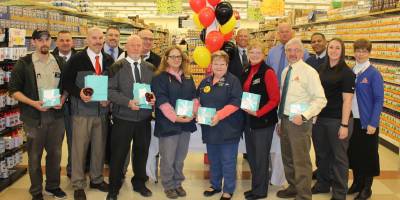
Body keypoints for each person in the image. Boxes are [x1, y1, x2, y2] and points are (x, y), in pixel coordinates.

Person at [9, 29, 67, 200]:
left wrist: (62, 100)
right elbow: (13, 91)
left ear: (51, 42)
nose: (44, 43)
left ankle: (53, 186)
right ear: (33, 42)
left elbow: (67, 86)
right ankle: (36, 191)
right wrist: (33, 103)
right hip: (34, 117)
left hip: (56, 117)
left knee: (55, 153)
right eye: (40, 40)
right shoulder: (24, 63)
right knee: (34, 156)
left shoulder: (59, 61)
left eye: (47, 40)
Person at [63, 27, 113, 200]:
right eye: (94, 38)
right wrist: (79, 93)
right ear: (87, 40)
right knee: (79, 149)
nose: (98, 41)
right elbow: (66, 82)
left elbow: (112, 84)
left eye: (100, 38)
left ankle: (97, 179)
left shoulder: (108, 59)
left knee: (99, 148)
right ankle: (78, 184)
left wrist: (109, 98)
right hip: (81, 112)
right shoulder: (77, 59)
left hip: (102, 112)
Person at [276, 38, 327, 200]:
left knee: (301, 160)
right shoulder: (285, 71)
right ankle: (293, 186)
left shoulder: (309, 72)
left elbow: (320, 99)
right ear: (285, 53)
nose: (292, 54)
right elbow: (283, 97)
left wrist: (304, 115)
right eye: (289, 51)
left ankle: (304, 195)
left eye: (296, 50)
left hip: (299, 122)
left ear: (302, 53)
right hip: (285, 120)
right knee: (288, 157)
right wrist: (279, 121)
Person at [106, 35, 155, 200]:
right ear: (125, 47)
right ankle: (113, 188)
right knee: (118, 154)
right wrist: (127, 102)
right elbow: (110, 91)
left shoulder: (150, 68)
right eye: (132, 45)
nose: (135, 48)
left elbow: (153, 91)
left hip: (143, 119)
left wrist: (153, 98)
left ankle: (139, 182)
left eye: (138, 45)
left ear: (142, 48)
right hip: (123, 118)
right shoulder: (117, 66)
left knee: (141, 152)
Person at [311, 38, 355, 200]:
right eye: (331, 47)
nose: (334, 51)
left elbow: (348, 100)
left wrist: (344, 125)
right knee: (322, 155)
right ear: (327, 49)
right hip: (320, 119)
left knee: (339, 157)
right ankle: (323, 183)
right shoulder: (321, 69)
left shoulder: (347, 72)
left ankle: (339, 192)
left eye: (338, 48)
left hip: (338, 120)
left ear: (342, 51)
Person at [151, 46, 197, 199]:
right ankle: (168, 185)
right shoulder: (160, 78)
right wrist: (176, 117)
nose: (176, 59)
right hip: (168, 124)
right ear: (166, 59)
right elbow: (162, 101)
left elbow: (194, 97)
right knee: (168, 157)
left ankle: (178, 183)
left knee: (180, 157)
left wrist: (194, 112)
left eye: (179, 57)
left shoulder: (188, 77)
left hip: (185, 123)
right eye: (173, 56)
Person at [198, 51, 244, 200]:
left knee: (228, 160)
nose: (218, 66)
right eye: (215, 63)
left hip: (228, 128)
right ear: (211, 65)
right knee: (214, 159)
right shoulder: (205, 82)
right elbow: (198, 100)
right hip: (210, 128)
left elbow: (236, 102)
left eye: (222, 64)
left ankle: (228, 189)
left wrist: (219, 115)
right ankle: (215, 184)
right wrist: (194, 111)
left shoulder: (233, 81)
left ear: (227, 65)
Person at [241, 40, 280, 200]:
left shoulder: (268, 72)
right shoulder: (247, 70)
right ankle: (255, 186)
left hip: (263, 121)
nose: (255, 55)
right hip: (249, 120)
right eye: (252, 52)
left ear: (263, 54)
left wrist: (258, 113)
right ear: (248, 54)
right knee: (252, 155)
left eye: (258, 52)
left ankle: (261, 190)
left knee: (261, 157)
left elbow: (274, 99)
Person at [348, 39, 384, 200]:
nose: (360, 53)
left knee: (368, 155)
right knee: (355, 153)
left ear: (369, 53)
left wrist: (373, 122)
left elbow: (378, 99)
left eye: (363, 51)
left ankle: (367, 188)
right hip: (352, 120)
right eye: (357, 50)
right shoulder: (352, 70)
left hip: (366, 121)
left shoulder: (373, 73)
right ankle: (357, 182)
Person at [52, 30, 80, 179]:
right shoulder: (49, 58)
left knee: (73, 141)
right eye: (62, 40)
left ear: (72, 42)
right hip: (53, 108)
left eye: (68, 40)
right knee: (54, 144)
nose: (65, 43)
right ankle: (54, 173)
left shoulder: (79, 59)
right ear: (56, 42)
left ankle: (72, 170)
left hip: (73, 106)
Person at [304, 32, 328, 180]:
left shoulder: (331, 59)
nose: (316, 43)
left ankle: (325, 175)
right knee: (318, 143)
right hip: (312, 109)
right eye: (313, 42)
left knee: (326, 146)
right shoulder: (310, 61)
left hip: (327, 110)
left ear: (325, 42)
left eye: (319, 41)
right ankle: (321, 171)